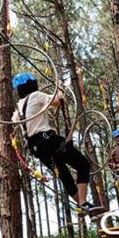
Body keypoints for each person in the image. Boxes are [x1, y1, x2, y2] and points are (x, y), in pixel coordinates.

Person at [12, 72, 105, 216]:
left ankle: (86, 208)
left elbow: (14, 121)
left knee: (65, 175)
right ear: (30, 84)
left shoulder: (18, 108)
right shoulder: (36, 96)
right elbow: (62, 101)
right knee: (82, 165)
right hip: (48, 141)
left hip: (36, 149)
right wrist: (60, 87)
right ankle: (83, 203)